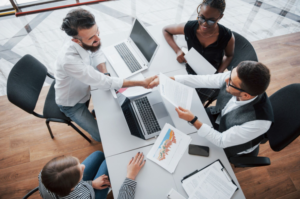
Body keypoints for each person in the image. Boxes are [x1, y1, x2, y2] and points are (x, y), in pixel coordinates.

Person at [54, 8, 156, 142]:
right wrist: (141, 83)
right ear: (76, 41)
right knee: (102, 138)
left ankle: (96, 113)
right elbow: (103, 82)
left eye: (97, 31)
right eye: (91, 37)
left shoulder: (85, 38)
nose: (98, 38)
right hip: (72, 104)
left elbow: (96, 50)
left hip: (86, 89)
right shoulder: (69, 61)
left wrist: (104, 72)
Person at [148, 61, 274, 158]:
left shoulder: (259, 123)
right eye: (230, 74)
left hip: (232, 144)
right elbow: (204, 80)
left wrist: (193, 120)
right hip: (221, 118)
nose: (225, 80)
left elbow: (221, 141)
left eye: (231, 82)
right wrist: (168, 79)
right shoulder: (236, 78)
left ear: (246, 95)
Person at [163, 0, 234, 102]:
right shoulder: (190, 28)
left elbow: (229, 55)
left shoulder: (227, 36)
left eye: (211, 21)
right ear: (199, 12)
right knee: (171, 96)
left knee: (192, 103)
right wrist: (177, 51)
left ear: (220, 17)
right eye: (201, 17)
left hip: (210, 77)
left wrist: (219, 73)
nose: (204, 24)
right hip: (189, 69)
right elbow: (166, 30)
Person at [39, 151, 145, 199]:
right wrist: (131, 175)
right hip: (88, 195)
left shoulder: (46, 172)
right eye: (80, 172)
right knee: (107, 163)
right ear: (73, 187)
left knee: (98, 155)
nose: (83, 166)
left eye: (78, 164)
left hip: (81, 189)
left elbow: (77, 187)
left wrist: (91, 184)